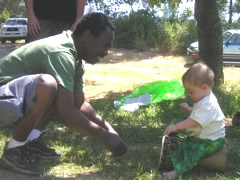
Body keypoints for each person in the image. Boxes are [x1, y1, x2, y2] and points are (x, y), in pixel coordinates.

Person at [0, 12, 127, 175]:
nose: (106, 52)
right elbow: (66, 113)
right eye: (105, 44)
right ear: (87, 36)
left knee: (60, 92)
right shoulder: (61, 52)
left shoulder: (76, 58)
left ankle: (30, 141)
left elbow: (78, 104)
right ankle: (14, 151)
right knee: (48, 85)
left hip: (9, 101)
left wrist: (110, 130)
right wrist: (105, 137)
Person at [162, 62, 225, 180]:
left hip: (212, 141)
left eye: (191, 91)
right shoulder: (205, 99)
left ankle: (177, 172)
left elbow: (194, 121)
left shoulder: (208, 104)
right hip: (204, 137)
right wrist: (189, 109)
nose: (189, 95)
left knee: (194, 153)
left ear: (204, 87)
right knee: (186, 144)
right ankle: (176, 159)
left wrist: (176, 126)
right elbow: (199, 115)